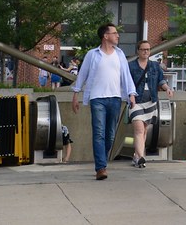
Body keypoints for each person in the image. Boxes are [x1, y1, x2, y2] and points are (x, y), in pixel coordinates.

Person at [71, 23, 137, 181]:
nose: (117, 35)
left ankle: (102, 159)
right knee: (99, 133)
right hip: (97, 98)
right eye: (114, 33)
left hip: (115, 98)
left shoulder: (120, 54)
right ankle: (101, 167)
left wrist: (131, 94)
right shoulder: (92, 55)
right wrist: (75, 94)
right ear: (105, 36)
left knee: (110, 135)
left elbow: (126, 76)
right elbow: (82, 75)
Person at [127, 40, 173, 169]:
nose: (146, 51)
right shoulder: (131, 66)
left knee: (145, 130)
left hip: (151, 100)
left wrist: (167, 88)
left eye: (148, 49)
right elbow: (127, 83)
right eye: (143, 49)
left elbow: (161, 80)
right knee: (139, 129)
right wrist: (130, 95)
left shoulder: (154, 65)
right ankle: (142, 157)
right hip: (136, 101)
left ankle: (137, 156)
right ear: (138, 51)